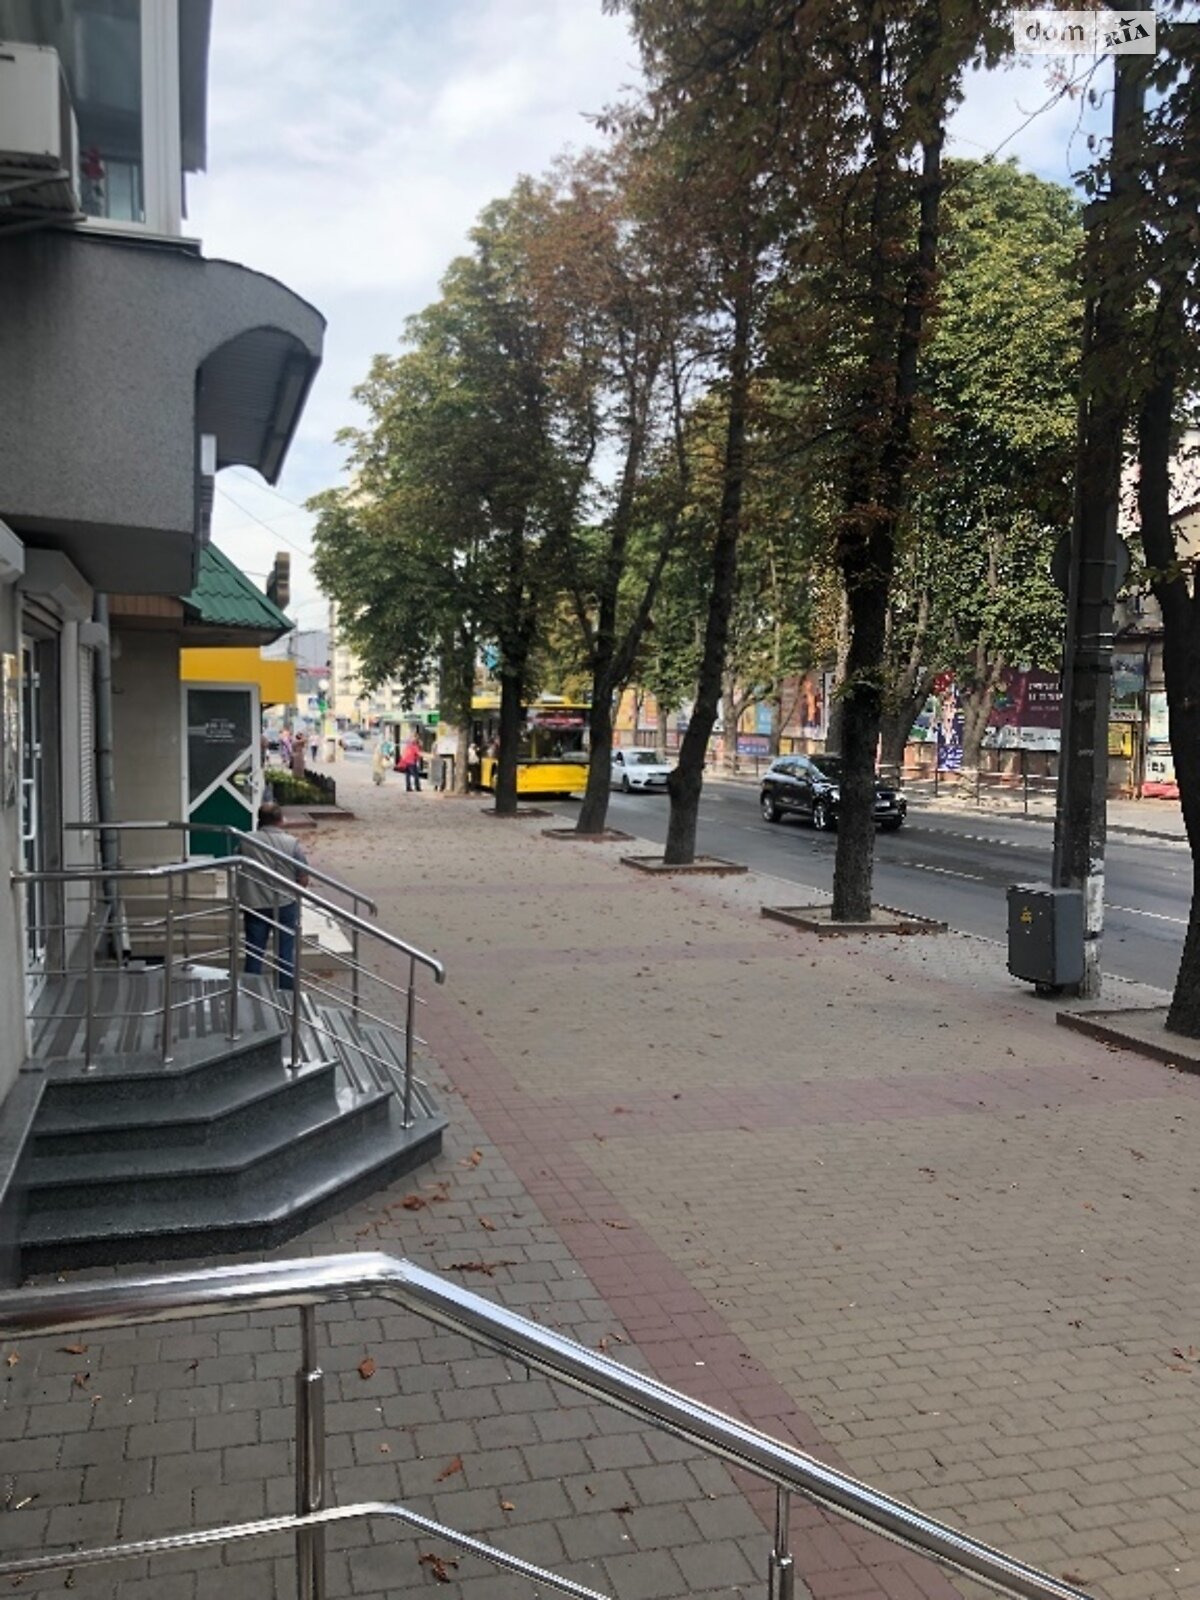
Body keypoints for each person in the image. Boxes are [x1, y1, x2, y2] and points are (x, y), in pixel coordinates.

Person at [238, 802, 310, 990]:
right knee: (285, 952)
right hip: (285, 903)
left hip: (255, 903)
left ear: (259, 820)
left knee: (254, 951)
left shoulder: (246, 840)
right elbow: (303, 875)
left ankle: (251, 991)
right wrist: (295, 890)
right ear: (280, 820)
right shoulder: (292, 843)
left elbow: (238, 863)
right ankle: (285, 993)